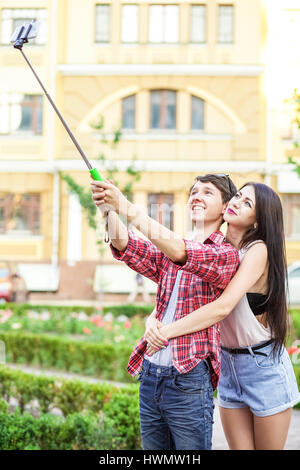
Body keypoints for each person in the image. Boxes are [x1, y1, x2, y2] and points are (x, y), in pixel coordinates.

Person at [144, 182, 300, 450]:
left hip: (263, 368)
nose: (237, 202)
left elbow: (222, 308)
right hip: (229, 367)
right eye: (238, 195)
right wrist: (153, 320)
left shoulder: (257, 250)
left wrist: (165, 333)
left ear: (258, 220)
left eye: (247, 203)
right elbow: (178, 293)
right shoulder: (215, 249)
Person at [91, 174, 239, 450]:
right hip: (151, 373)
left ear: (226, 207)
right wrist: (107, 208)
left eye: (207, 192)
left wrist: (124, 204)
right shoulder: (172, 248)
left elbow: (183, 252)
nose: (197, 196)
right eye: (194, 191)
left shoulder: (226, 254)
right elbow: (129, 246)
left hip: (189, 378)